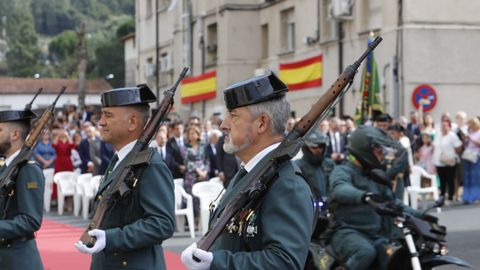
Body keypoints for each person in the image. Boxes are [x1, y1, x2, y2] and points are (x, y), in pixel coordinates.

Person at [180, 72, 314, 270]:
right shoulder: (248, 173)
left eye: (233, 116)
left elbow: (284, 263)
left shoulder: (287, 185)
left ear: (261, 123)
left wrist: (216, 262)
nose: (224, 125)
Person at [74, 85, 175, 269]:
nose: (101, 122)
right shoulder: (118, 160)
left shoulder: (150, 165)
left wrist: (111, 238)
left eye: (108, 115)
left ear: (132, 122)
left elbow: (162, 223)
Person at [327, 126, 432, 270]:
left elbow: (394, 203)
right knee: (365, 253)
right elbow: (340, 189)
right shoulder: (343, 171)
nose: (382, 154)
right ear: (365, 149)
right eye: (378, 150)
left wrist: (421, 215)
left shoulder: (376, 176)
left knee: (394, 255)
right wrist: (364, 196)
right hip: (347, 232)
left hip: (374, 235)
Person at [0, 108, 45, 269]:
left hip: (18, 260)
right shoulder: (5, 168)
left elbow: (30, 220)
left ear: (15, 135)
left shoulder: (28, 170)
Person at [295, 129, 335, 197]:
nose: (318, 149)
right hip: (309, 203)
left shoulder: (329, 164)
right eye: (314, 147)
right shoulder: (298, 166)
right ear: (306, 148)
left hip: (330, 203)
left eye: (321, 146)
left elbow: (336, 185)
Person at [432, 118, 462, 204]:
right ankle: (442, 196)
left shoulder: (452, 135)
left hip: (449, 161)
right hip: (439, 161)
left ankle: (450, 197)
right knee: (442, 180)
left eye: (445, 126)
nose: (444, 127)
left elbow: (458, 147)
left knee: (450, 179)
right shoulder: (438, 135)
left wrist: (453, 155)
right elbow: (434, 145)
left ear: (449, 126)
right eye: (442, 126)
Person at [462, 117, 480, 204]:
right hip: (468, 156)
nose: (470, 126)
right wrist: (465, 140)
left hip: (476, 157)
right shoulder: (470, 132)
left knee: (475, 178)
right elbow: (465, 145)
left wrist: (471, 139)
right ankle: (467, 197)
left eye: (472, 124)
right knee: (467, 177)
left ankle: (476, 196)